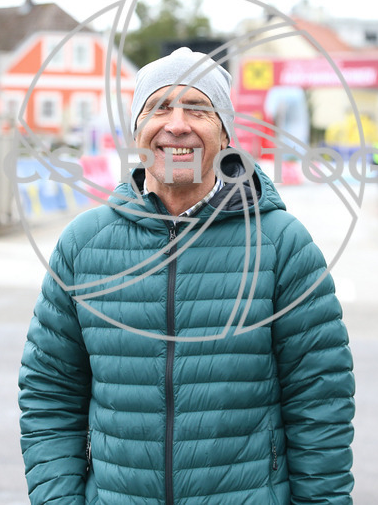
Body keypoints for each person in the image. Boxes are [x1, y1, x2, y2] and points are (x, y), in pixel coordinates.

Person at [18, 47, 355, 504]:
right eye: (159, 107)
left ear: (224, 132)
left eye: (198, 108)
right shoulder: (84, 245)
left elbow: (321, 407)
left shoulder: (281, 246)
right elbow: (49, 395)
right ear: (137, 129)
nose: (177, 125)